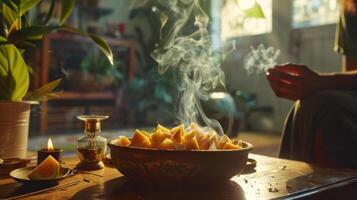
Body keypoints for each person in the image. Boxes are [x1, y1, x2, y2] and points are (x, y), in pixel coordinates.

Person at [266, 0, 357, 168]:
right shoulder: (351, 7)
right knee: (308, 104)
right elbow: (351, 74)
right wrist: (311, 85)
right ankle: (299, 187)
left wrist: (321, 82)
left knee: (324, 106)